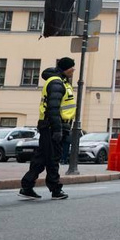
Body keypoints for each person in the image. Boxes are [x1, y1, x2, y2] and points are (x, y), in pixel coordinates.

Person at [20, 57, 76, 200]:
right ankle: (55, 189)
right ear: (65, 68)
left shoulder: (61, 81)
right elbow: (53, 108)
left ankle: (26, 186)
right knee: (53, 158)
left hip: (52, 125)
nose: (74, 69)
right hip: (52, 126)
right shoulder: (57, 83)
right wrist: (57, 129)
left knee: (41, 158)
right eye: (72, 67)